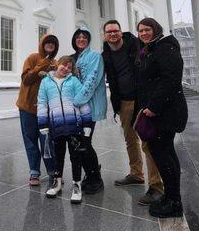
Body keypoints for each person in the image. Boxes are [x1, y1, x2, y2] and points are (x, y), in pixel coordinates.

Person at [102, 20, 164, 205]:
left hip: (142, 100)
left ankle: (156, 186)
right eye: (108, 32)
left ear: (121, 32)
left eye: (115, 31)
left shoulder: (136, 44)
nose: (112, 34)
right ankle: (136, 174)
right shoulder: (105, 53)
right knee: (130, 140)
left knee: (148, 143)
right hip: (123, 102)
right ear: (104, 35)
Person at [134, 18, 188, 218]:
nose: (143, 33)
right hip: (160, 111)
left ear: (156, 29)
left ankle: (174, 202)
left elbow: (170, 79)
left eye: (147, 29)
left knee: (164, 155)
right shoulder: (152, 48)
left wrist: (153, 107)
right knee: (165, 154)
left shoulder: (165, 48)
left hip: (165, 112)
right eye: (140, 31)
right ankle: (172, 197)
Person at [37, 56, 92, 203]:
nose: (66, 69)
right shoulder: (45, 82)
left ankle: (76, 185)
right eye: (64, 65)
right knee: (58, 156)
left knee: (75, 157)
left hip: (74, 125)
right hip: (56, 126)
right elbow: (42, 103)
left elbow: (83, 101)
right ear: (57, 64)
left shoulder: (74, 81)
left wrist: (87, 123)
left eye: (69, 67)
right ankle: (57, 182)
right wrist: (42, 124)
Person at [16, 33, 59, 186]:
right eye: (47, 43)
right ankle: (34, 172)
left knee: (47, 141)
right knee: (30, 140)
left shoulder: (55, 62)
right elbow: (26, 79)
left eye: (53, 44)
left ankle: (52, 171)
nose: (50, 46)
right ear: (42, 44)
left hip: (45, 109)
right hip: (27, 106)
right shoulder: (32, 58)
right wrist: (42, 65)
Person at [70, 27, 107, 194]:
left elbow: (92, 80)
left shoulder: (94, 56)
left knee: (85, 142)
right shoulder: (75, 58)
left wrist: (77, 100)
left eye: (84, 37)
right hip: (75, 108)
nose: (81, 39)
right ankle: (90, 173)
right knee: (79, 143)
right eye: (78, 37)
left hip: (87, 107)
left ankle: (95, 177)